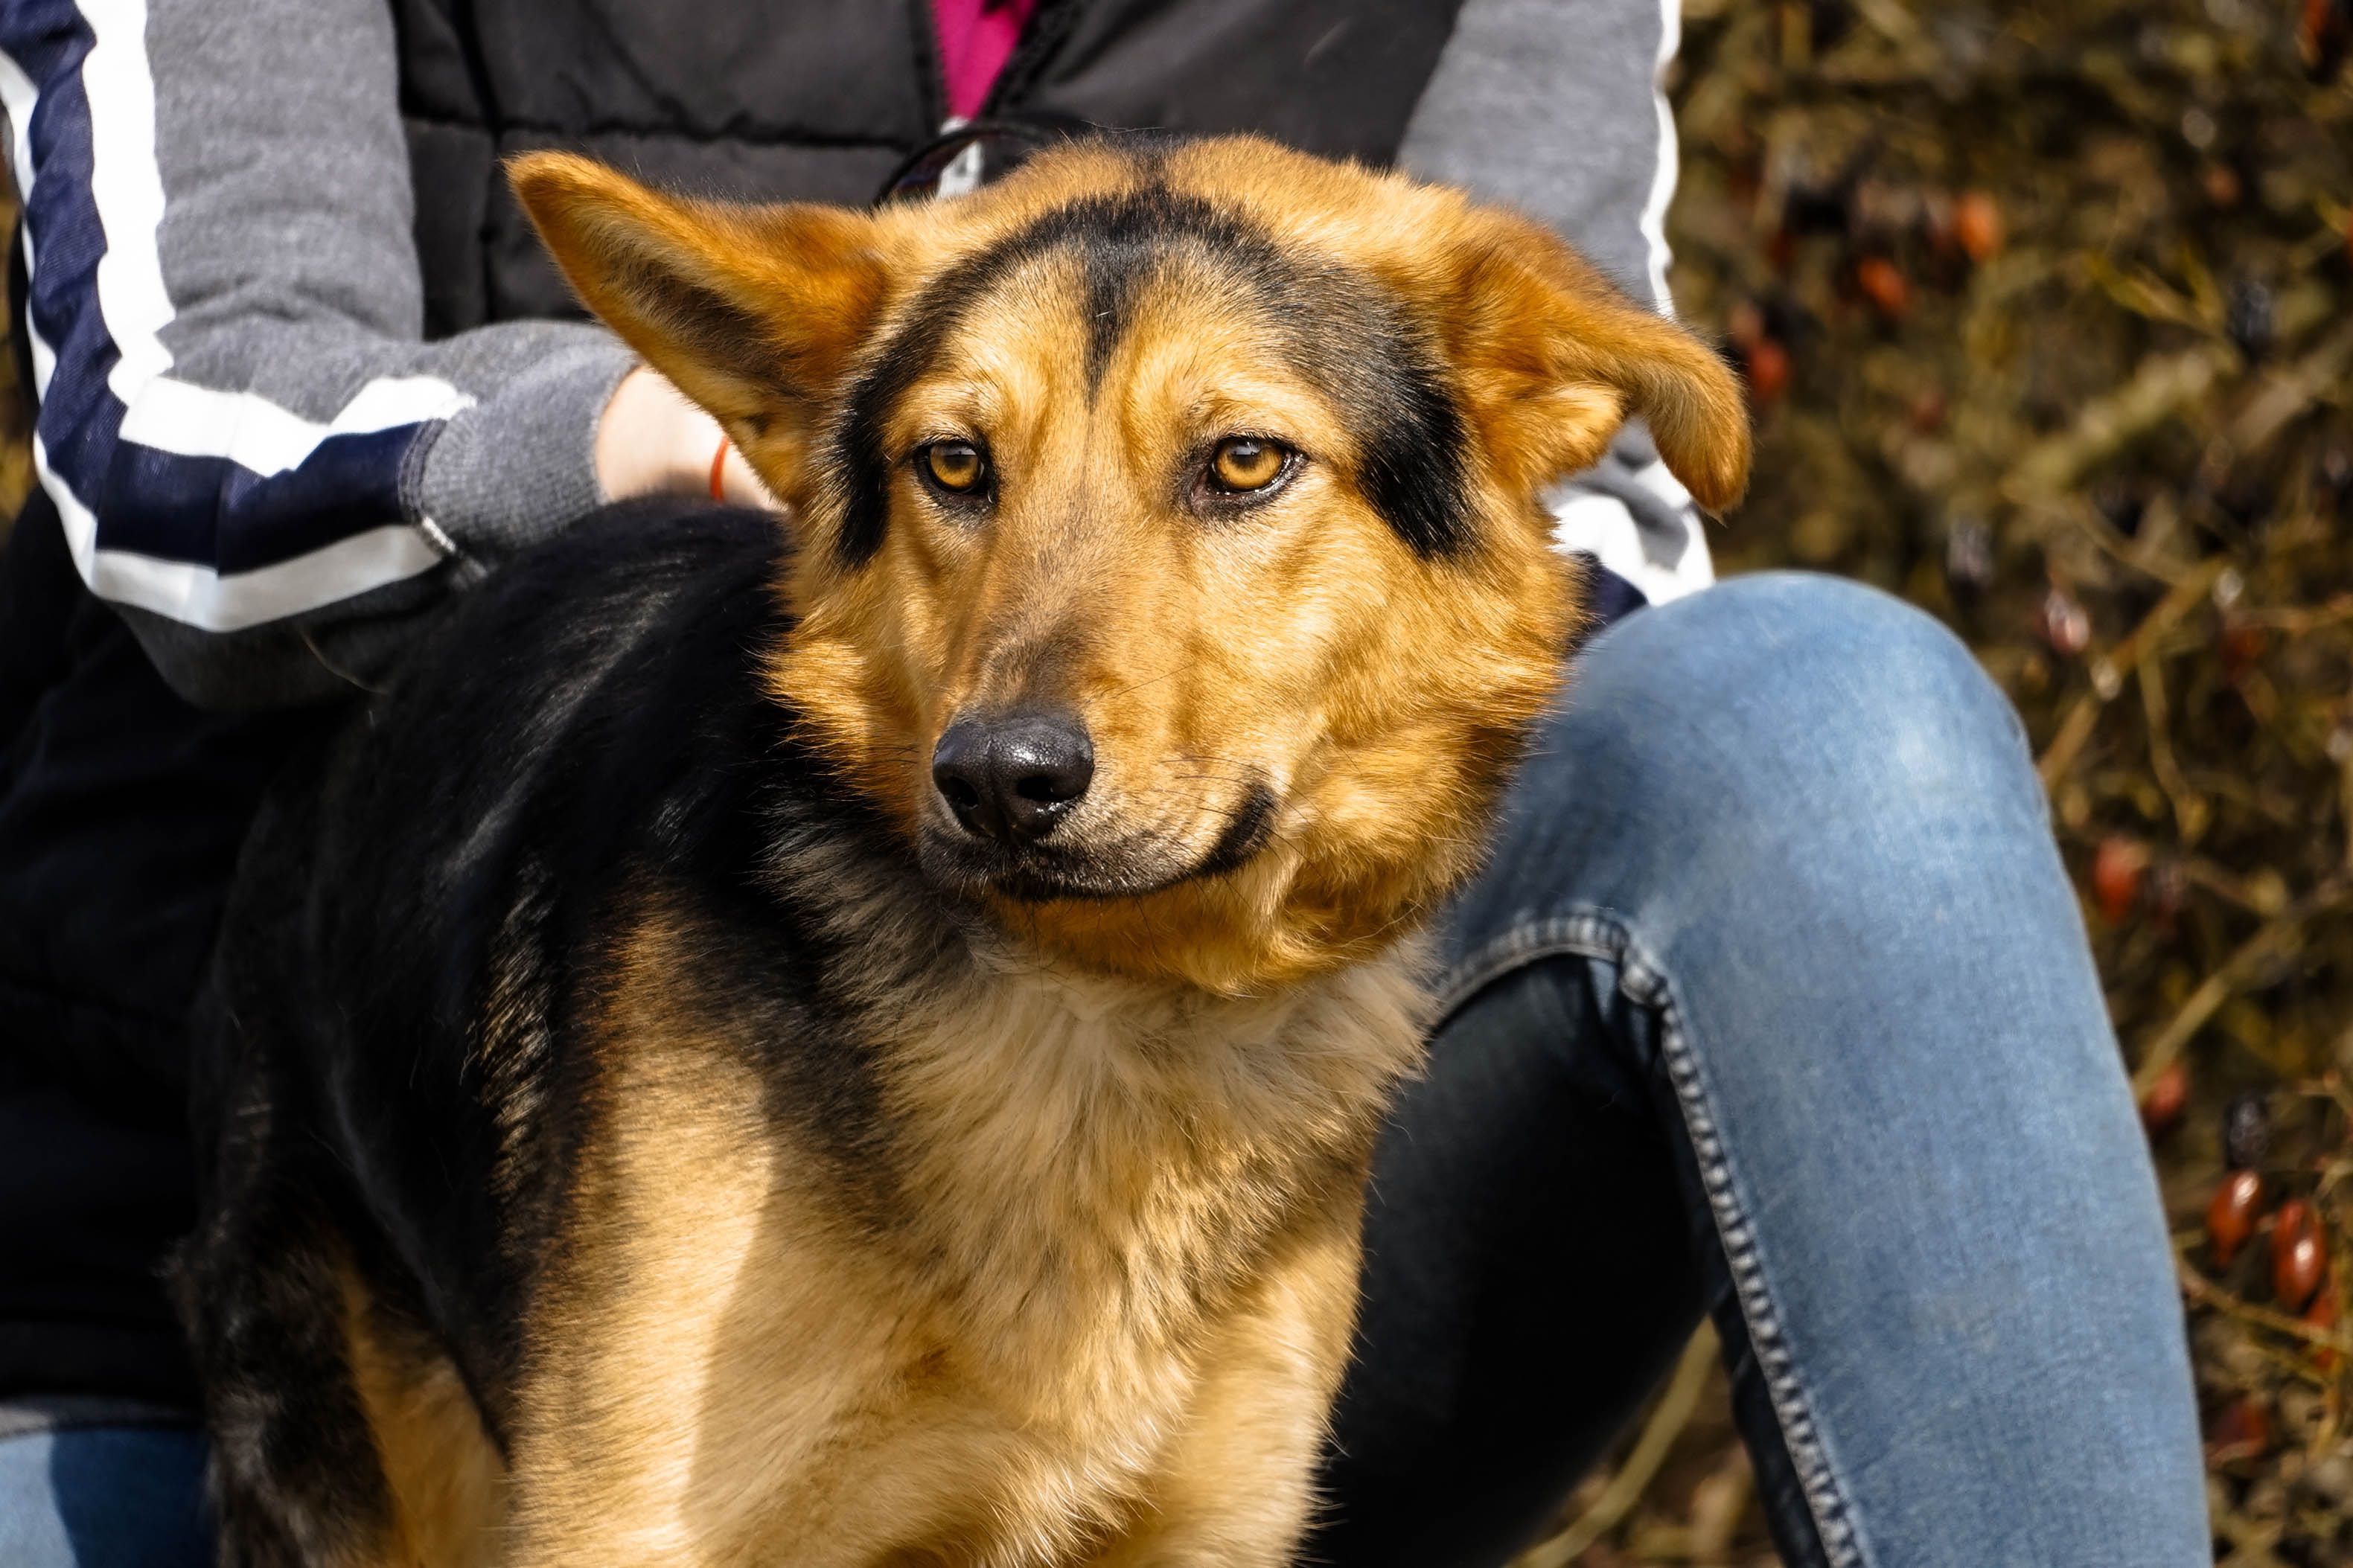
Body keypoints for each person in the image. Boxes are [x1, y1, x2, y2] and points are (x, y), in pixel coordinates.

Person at [0, 1, 2208, 1564]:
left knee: (1841, 714)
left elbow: (1596, 517)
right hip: (245, 1168)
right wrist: (675, 446)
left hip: (1271, 1108)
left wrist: (1285, 722)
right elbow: (188, 412)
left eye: (1238, 464)